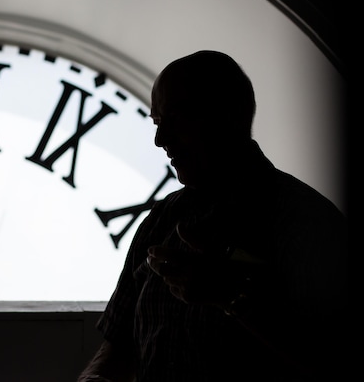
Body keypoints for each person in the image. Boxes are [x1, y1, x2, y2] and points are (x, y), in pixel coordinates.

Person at [77, 50, 348, 382]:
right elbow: (118, 348)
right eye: (158, 123)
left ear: (228, 115)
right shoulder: (161, 218)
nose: (161, 139)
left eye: (175, 119)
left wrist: (231, 296)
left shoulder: (307, 225)